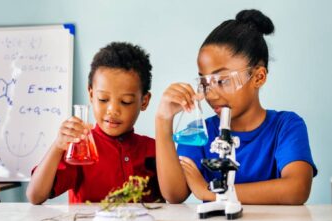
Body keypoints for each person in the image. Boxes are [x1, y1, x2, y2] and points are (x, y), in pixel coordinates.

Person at [155, 9, 317, 205]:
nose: (210, 94)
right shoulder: (199, 133)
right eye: (205, 83)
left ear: (258, 77)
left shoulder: (286, 126)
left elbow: (296, 190)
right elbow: (174, 195)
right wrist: (163, 120)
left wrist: (211, 193)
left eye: (222, 81)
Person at [27, 42, 163, 204]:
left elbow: (175, 197)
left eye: (126, 101)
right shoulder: (80, 148)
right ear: (91, 95)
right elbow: (35, 196)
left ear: (144, 101)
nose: (112, 110)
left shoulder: (154, 149)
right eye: (103, 99)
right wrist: (58, 146)